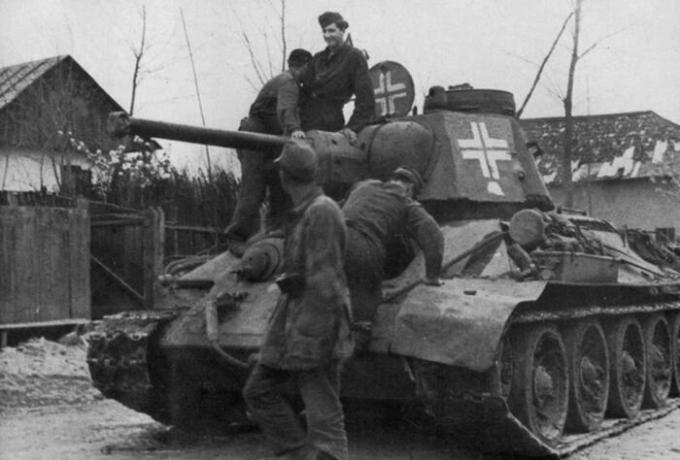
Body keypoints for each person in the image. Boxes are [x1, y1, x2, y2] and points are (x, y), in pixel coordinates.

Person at [243, 141, 353, 460]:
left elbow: (325, 279)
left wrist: (309, 338)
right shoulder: (303, 212)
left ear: (283, 175)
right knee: (258, 391)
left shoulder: (322, 211)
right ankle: (296, 454)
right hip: (295, 317)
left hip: (316, 322)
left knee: (324, 415)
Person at [224, 49, 313, 256]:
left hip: (271, 137)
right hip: (255, 133)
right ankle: (236, 236)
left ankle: (276, 227)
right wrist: (294, 129)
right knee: (253, 186)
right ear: (303, 65)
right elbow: (286, 109)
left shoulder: (290, 83)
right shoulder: (288, 81)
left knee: (279, 179)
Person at [342, 166, 444, 322]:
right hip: (362, 243)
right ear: (410, 189)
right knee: (366, 304)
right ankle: (361, 336)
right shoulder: (405, 201)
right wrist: (432, 276)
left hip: (332, 237)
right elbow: (433, 234)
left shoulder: (363, 185)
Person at [300, 11, 375, 145]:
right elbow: (304, 89)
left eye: (331, 31)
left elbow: (366, 98)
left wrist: (352, 127)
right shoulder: (318, 59)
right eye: (324, 31)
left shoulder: (354, 57)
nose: (327, 35)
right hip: (305, 120)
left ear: (342, 31)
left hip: (330, 123)